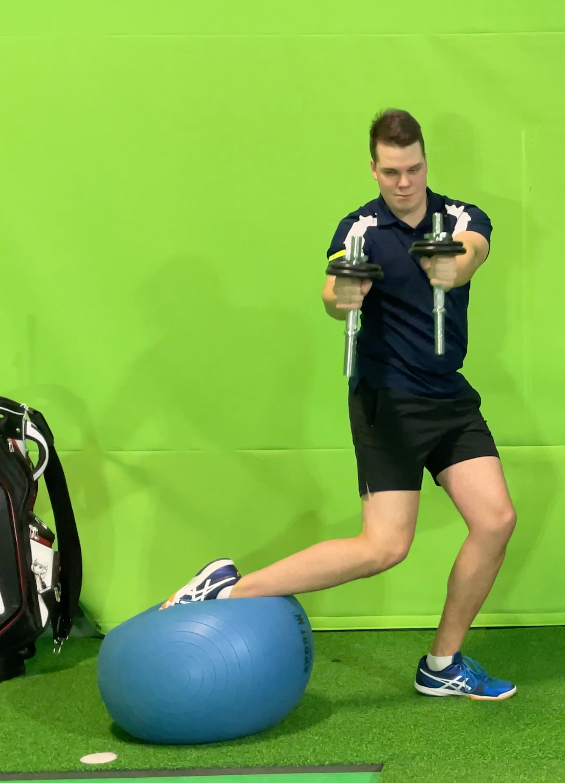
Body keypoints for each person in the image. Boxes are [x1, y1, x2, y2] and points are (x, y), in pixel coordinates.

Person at [161, 109, 517, 701]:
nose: (404, 182)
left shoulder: (459, 217)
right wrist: (344, 294)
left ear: (425, 162)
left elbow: (469, 256)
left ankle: (442, 663)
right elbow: (333, 293)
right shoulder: (359, 229)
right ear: (374, 169)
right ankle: (225, 591)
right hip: (388, 399)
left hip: (448, 395)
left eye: (413, 169)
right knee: (384, 547)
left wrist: (449, 264)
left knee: (496, 520)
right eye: (391, 172)